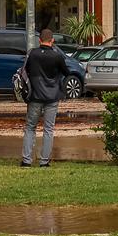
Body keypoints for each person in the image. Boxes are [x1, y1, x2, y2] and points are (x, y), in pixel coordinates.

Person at [21, 28, 70, 168]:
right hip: (52, 97)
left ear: (40, 40)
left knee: (30, 127)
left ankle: (26, 160)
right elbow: (66, 72)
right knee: (48, 129)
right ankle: (44, 161)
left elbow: (26, 71)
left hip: (35, 96)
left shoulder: (33, 54)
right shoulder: (57, 56)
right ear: (52, 40)